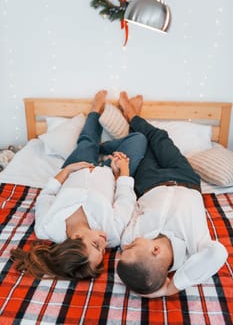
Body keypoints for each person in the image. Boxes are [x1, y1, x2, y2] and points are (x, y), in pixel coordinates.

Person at [10, 90, 147, 281]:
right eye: (102, 252)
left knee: (87, 142)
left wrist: (66, 171)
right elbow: (125, 199)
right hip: (110, 172)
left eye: (95, 245)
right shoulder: (112, 234)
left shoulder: (47, 227)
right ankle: (116, 137)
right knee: (139, 139)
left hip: (77, 168)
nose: (103, 243)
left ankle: (95, 113)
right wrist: (121, 171)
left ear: (75, 238)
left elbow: (47, 195)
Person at [116, 91, 228, 297]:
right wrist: (170, 288)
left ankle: (132, 115)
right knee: (158, 137)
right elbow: (219, 253)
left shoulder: (130, 238)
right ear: (155, 251)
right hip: (184, 177)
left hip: (148, 182)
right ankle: (134, 115)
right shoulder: (194, 250)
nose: (126, 246)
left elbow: (129, 205)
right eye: (130, 249)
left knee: (145, 141)